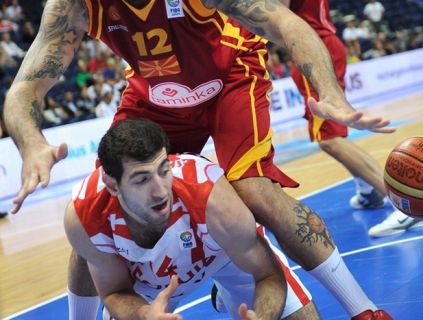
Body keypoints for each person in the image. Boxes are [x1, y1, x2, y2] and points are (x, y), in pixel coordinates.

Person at [4, 1, 393, 319]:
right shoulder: (74, 5)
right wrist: (31, 142)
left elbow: (287, 24)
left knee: (256, 193)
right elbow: (25, 86)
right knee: (96, 211)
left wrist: (330, 92)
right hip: (156, 92)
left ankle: (365, 311)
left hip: (231, 79)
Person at [65, 118, 320, 320]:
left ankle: (228, 290)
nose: (160, 190)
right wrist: (144, 314)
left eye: (164, 170)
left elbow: (267, 274)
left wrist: (263, 317)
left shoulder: (212, 198)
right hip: (148, 286)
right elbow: (114, 291)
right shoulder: (86, 215)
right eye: (142, 179)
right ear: (112, 185)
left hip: (226, 257)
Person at [282, 0, 423, 238]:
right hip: (323, 43)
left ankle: (402, 205)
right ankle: (368, 191)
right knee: (335, 130)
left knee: (328, 139)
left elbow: (278, 11)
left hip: (310, 48)